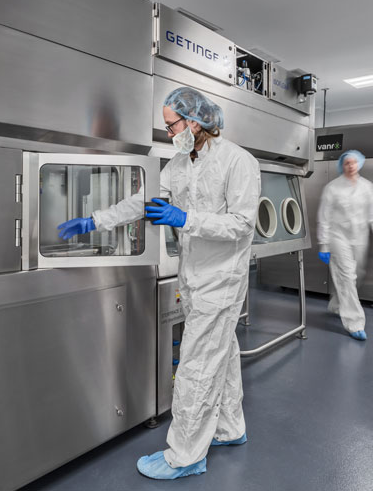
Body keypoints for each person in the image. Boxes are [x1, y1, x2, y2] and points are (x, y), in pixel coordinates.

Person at [57, 86, 261, 479]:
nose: (169, 133)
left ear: (196, 121)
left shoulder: (239, 162)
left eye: (172, 126)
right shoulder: (182, 162)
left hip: (221, 281)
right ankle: (230, 427)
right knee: (223, 353)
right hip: (196, 278)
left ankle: (185, 455)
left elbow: (241, 225)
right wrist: (96, 220)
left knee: (197, 366)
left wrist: (186, 219)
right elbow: (146, 200)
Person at [316, 149, 373, 340]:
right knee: (347, 276)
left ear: (359, 164)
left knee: (355, 276)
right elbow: (324, 218)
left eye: (353, 162)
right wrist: (323, 244)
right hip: (337, 237)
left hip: (360, 237)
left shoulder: (367, 187)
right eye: (347, 163)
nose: (350, 166)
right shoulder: (332, 188)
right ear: (342, 165)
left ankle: (336, 304)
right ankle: (354, 323)